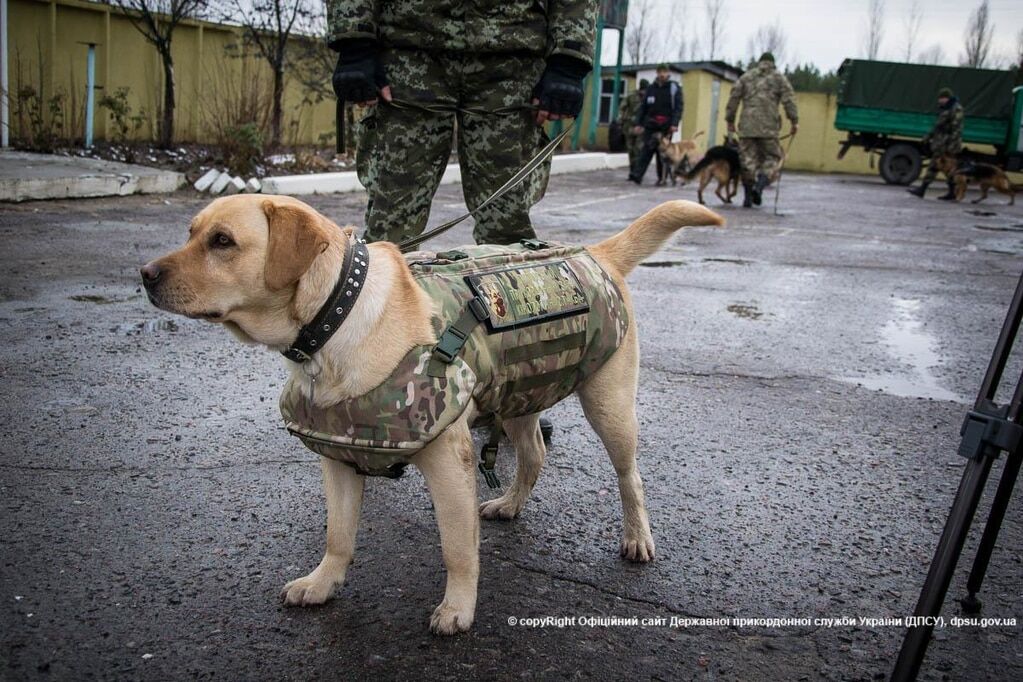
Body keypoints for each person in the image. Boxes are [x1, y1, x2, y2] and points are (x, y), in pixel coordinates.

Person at [329, 0, 598, 245]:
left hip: (512, 59)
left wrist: (568, 58)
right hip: (409, 53)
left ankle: (504, 296)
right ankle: (384, 296)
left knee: (508, 224)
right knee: (390, 224)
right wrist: (355, 41)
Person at [724, 52, 798, 208]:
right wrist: (794, 121)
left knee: (747, 161)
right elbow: (789, 99)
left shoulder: (746, 77)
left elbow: (734, 98)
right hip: (769, 128)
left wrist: (730, 119)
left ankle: (748, 197)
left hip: (747, 127)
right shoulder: (779, 78)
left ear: (760, 62)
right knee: (772, 157)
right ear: (772, 63)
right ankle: (760, 185)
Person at [628, 64, 683, 184]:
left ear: (668, 73)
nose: (662, 74)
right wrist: (639, 123)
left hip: (666, 125)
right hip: (651, 124)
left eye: (664, 72)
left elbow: (678, 107)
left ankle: (661, 178)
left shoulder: (674, 88)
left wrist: (674, 123)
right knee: (646, 149)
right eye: (660, 72)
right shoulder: (651, 88)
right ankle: (637, 175)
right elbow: (643, 108)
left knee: (662, 153)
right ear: (657, 73)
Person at [907, 87, 964, 200]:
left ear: (947, 98)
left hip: (948, 145)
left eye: (941, 98)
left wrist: (951, 147)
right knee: (939, 167)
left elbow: (956, 129)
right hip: (941, 144)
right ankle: (949, 192)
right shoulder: (946, 108)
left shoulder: (956, 109)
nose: (939, 101)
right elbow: (938, 127)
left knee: (943, 168)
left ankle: (924, 189)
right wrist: (928, 137)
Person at [619, 78, 649, 172]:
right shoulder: (631, 96)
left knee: (638, 149)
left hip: (641, 127)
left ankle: (637, 170)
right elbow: (622, 107)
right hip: (629, 126)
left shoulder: (649, 98)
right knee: (630, 149)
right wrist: (622, 119)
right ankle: (632, 170)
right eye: (643, 90)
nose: (643, 92)